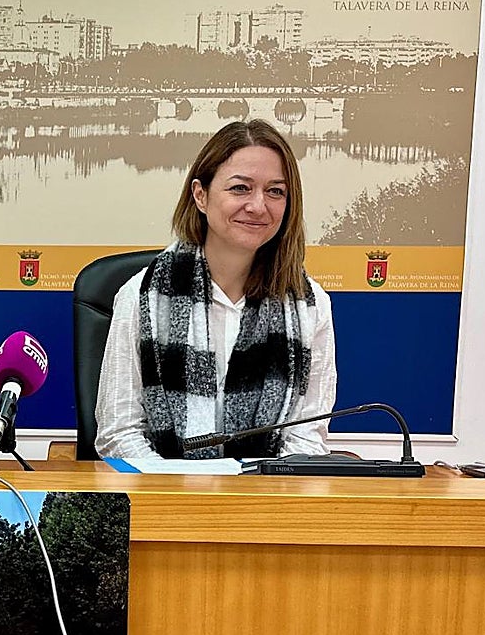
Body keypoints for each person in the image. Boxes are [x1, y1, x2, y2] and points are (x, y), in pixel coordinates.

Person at [94, 119, 337, 460]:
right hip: (163, 499)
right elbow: (119, 435)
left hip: (266, 501)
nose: (258, 206)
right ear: (201, 195)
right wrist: (188, 496)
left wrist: (253, 499)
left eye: (275, 191)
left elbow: (306, 440)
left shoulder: (310, 307)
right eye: (240, 188)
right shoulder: (140, 297)